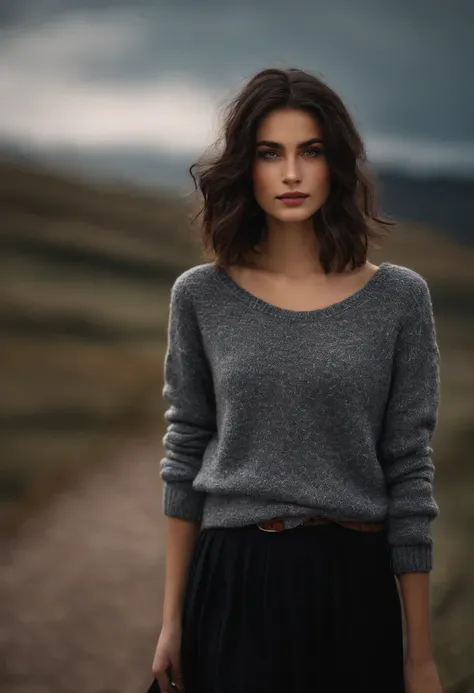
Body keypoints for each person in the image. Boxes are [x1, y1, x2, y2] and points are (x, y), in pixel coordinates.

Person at [151, 67, 443, 693]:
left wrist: (419, 658)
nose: (290, 174)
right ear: (244, 167)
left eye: (309, 151)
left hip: (354, 585)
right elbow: (184, 452)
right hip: (235, 577)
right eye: (269, 153)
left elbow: (410, 470)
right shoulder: (201, 296)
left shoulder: (399, 299)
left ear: (336, 163)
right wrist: (170, 623)